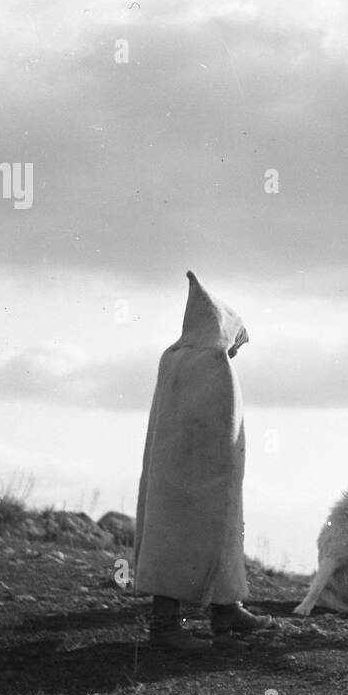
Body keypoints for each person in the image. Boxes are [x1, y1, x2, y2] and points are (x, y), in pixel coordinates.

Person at [133, 271, 274, 652]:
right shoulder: (212, 361)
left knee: (199, 536)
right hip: (201, 473)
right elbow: (220, 425)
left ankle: (227, 608)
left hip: (170, 470)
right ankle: (165, 628)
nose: (235, 350)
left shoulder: (173, 356)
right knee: (189, 538)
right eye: (235, 341)